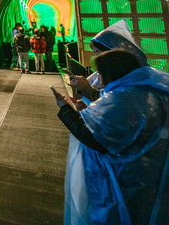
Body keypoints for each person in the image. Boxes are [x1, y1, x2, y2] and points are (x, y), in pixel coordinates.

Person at [52, 48, 169, 224]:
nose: (100, 78)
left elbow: (93, 138)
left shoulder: (123, 99)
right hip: (149, 175)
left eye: (101, 73)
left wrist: (64, 108)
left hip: (124, 179)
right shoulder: (148, 89)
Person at [68, 20, 147, 103]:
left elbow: (111, 101)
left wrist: (85, 88)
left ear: (111, 51)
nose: (96, 57)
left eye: (97, 52)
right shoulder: (119, 71)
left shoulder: (125, 75)